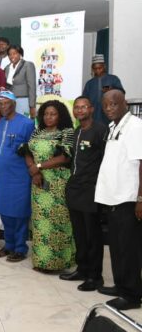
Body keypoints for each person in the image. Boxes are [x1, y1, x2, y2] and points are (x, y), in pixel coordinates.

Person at [94, 89, 142, 311]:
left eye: (114, 104)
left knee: (128, 248)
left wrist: (140, 198)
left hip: (128, 198)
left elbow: (141, 164)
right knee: (116, 247)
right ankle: (121, 286)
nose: (109, 108)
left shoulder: (135, 126)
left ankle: (132, 295)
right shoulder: (114, 127)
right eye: (105, 105)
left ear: (125, 104)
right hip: (112, 197)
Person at [60, 96, 107, 291]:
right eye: (77, 108)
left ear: (91, 109)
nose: (79, 110)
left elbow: (106, 161)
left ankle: (95, 277)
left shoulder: (100, 130)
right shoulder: (77, 131)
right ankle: (82, 269)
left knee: (92, 236)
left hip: (91, 190)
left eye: (83, 107)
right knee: (79, 234)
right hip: (75, 189)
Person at [24, 100, 75, 273]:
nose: (48, 117)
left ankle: (59, 262)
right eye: (46, 114)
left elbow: (65, 157)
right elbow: (27, 151)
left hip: (57, 184)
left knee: (57, 221)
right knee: (40, 223)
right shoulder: (38, 131)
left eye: (53, 114)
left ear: (60, 115)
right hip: (38, 184)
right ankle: (42, 261)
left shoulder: (66, 132)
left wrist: (38, 167)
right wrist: (34, 171)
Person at [0, 91, 35, 262]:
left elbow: (32, 150)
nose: (3, 107)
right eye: (0, 104)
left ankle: (20, 248)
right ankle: (9, 245)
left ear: (14, 104)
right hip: (3, 176)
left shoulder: (27, 123)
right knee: (5, 213)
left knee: (19, 214)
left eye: (6, 103)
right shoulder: (1, 123)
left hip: (20, 176)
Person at [82, 54, 125, 125]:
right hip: (94, 115)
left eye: (100, 68)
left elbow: (121, 93)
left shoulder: (113, 79)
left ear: (104, 66)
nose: (98, 70)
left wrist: (111, 90)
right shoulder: (89, 83)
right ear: (92, 69)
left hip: (110, 113)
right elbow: (84, 99)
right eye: (95, 69)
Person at [4, 45, 37, 118]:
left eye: (14, 53)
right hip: (10, 102)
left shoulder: (28, 65)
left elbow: (32, 86)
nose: (12, 56)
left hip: (24, 101)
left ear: (20, 54)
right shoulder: (7, 68)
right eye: (10, 54)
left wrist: (32, 106)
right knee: (13, 122)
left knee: (24, 122)